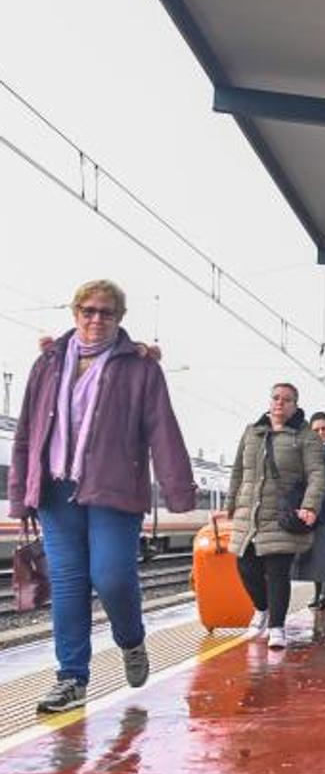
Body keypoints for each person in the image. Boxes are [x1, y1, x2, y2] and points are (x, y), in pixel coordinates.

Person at [8, 280, 196, 713]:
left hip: (113, 489)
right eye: (88, 310)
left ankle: (131, 640)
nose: (96, 319)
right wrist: (21, 495)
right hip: (55, 491)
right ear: (75, 313)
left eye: (106, 312)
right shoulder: (49, 362)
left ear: (119, 319)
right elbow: (25, 433)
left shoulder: (141, 367)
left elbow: (161, 429)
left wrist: (178, 493)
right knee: (69, 586)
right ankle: (71, 679)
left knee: (112, 576)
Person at [227, 383, 325, 650]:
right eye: (275, 398)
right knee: (245, 566)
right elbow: (238, 471)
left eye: (286, 399)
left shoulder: (306, 437)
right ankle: (262, 608)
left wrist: (309, 506)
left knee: (277, 571)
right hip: (250, 514)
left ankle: (276, 628)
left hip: (282, 513)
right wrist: (230, 506)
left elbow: (317, 474)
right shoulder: (252, 432)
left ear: (296, 404)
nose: (280, 403)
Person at [292, 411, 325, 611]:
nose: (321, 433)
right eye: (316, 429)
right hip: (313, 508)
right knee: (314, 554)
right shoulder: (306, 451)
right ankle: (317, 590)